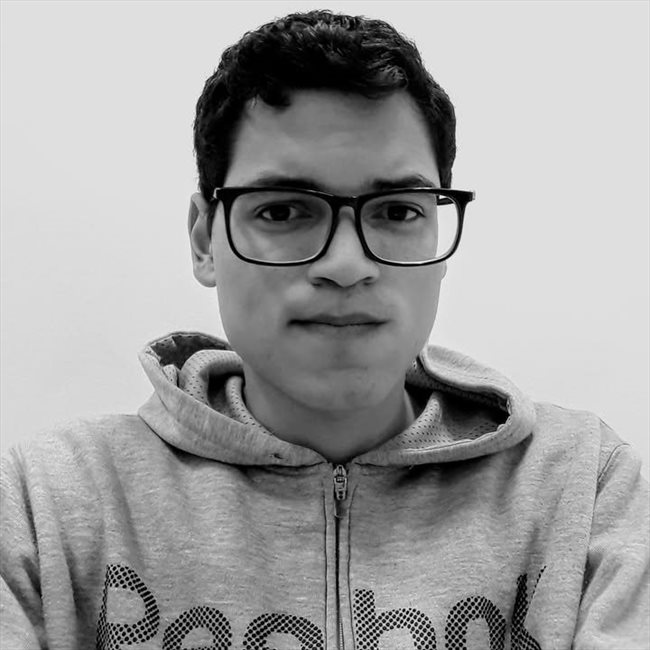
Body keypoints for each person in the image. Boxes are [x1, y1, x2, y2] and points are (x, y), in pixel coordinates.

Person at [1, 8, 648, 649]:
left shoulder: (585, 488)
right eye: (284, 211)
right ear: (204, 240)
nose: (346, 264)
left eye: (397, 211)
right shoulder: (47, 503)